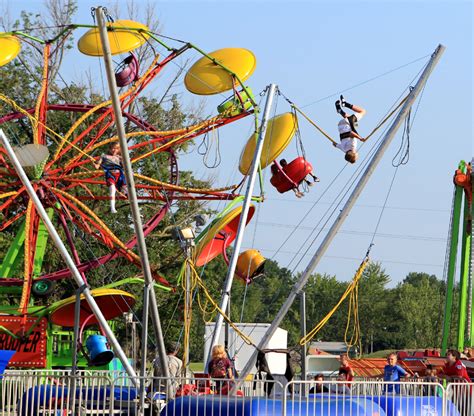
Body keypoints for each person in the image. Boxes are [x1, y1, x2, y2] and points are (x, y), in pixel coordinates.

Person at [94, 142, 127, 213]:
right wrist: (94, 164)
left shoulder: (119, 157)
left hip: (119, 174)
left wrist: (124, 160)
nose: (114, 150)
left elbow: (125, 166)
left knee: (125, 187)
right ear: (110, 149)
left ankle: (124, 194)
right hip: (110, 173)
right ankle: (112, 208)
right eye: (113, 148)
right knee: (112, 189)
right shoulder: (104, 156)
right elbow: (97, 166)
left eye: (117, 149)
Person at [333, 95, 367, 164]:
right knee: (355, 124)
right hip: (340, 125)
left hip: (346, 123)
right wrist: (335, 144)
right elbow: (335, 144)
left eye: (356, 156)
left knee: (363, 111)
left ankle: (345, 104)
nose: (358, 155)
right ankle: (340, 111)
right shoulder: (344, 150)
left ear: (353, 154)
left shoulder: (353, 146)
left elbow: (351, 133)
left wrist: (360, 138)